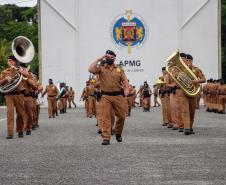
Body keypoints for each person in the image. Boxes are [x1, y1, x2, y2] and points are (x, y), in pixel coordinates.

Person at [88, 50, 129, 145]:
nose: (108, 59)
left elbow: (125, 80)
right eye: (107, 57)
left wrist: (126, 89)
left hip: (118, 96)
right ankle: (106, 138)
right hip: (105, 96)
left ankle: (118, 132)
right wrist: (99, 59)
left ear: (114, 58)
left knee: (122, 116)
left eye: (110, 57)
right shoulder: (101, 69)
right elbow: (90, 69)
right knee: (105, 117)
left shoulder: (119, 69)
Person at [0, 55, 29, 139]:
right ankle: (10, 133)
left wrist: (17, 69)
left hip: (19, 94)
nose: (10, 62)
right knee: (10, 113)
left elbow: (26, 74)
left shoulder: (20, 69)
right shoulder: (4, 72)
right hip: (9, 94)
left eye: (11, 60)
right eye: (8, 60)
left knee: (20, 113)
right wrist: (5, 80)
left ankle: (20, 130)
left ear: (15, 62)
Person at [179, 54, 206, 135]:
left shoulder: (196, 69)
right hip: (184, 92)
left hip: (193, 93)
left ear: (191, 61)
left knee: (192, 111)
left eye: (188, 60)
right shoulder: (181, 70)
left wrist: (195, 81)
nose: (186, 62)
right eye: (185, 60)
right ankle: (186, 128)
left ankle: (190, 127)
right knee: (185, 111)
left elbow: (204, 79)